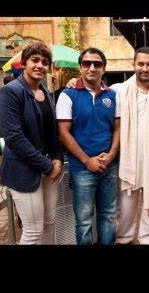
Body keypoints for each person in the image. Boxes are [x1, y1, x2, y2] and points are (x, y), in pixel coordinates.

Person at [66, 46, 149, 245]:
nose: (144, 68)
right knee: (124, 208)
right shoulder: (118, 90)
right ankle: (123, 239)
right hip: (127, 161)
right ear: (134, 65)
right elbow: (95, 90)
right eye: (140, 64)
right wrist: (75, 82)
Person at [0, 42, 63, 245]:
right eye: (35, 60)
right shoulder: (10, 92)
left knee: (50, 222)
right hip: (23, 171)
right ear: (24, 63)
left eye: (45, 62)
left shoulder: (46, 92)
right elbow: (14, 138)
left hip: (49, 167)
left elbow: (54, 132)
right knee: (33, 231)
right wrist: (47, 166)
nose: (40, 65)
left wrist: (58, 159)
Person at [56, 47, 120, 245]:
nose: (92, 68)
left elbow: (118, 128)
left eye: (97, 64)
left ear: (104, 68)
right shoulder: (68, 95)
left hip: (109, 167)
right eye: (86, 63)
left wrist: (110, 155)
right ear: (80, 67)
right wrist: (87, 161)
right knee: (83, 221)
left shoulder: (113, 95)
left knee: (108, 215)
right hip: (81, 169)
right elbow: (63, 132)